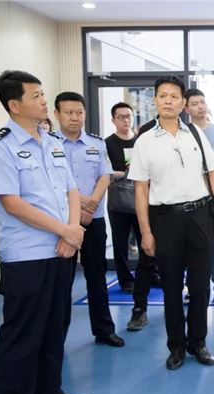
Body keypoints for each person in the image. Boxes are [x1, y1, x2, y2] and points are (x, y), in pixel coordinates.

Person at [0, 70, 89, 394]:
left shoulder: (52, 141)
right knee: (22, 335)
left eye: (43, 94)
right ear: (14, 105)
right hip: (27, 256)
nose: (44, 100)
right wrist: (65, 230)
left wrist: (71, 232)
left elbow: (71, 190)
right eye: (36, 96)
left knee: (55, 328)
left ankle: (48, 393)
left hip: (61, 250)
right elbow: (12, 203)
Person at [128, 76, 214, 370]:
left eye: (174, 96)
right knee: (171, 287)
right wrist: (145, 232)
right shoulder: (145, 141)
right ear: (155, 101)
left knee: (200, 285)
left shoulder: (195, 133)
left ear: (183, 102)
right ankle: (177, 347)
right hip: (165, 219)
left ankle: (198, 342)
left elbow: (212, 174)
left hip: (200, 216)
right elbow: (141, 190)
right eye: (163, 95)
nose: (168, 100)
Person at [52, 91, 124, 347]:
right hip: (64, 223)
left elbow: (105, 175)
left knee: (97, 277)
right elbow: (53, 183)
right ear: (57, 114)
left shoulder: (96, 143)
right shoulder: (48, 144)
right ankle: (57, 337)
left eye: (79, 112)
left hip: (94, 219)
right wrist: (81, 203)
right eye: (69, 112)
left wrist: (91, 203)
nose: (75, 117)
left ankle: (104, 330)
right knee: (62, 282)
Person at [104, 102, 159, 332]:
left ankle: (152, 275)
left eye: (128, 116)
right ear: (113, 120)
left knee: (146, 240)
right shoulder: (107, 143)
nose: (125, 120)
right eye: (121, 117)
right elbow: (105, 171)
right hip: (119, 201)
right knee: (120, 242)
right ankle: (126, 279)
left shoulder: (140, 141)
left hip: (142, 200)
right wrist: (123, 173)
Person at [185, 88, 214, 301]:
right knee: (191, 247)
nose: (200, 107)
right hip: (192, 198)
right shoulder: (184, 132)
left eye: (202, 102)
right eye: (195, 104)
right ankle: (191, 287)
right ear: (186, 108)